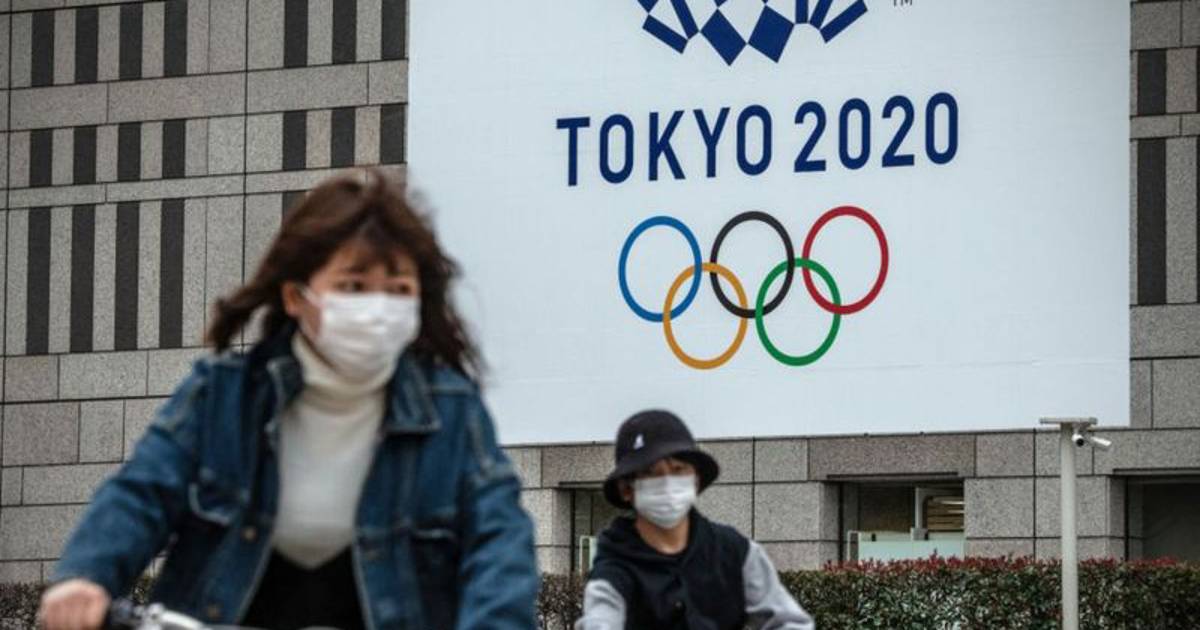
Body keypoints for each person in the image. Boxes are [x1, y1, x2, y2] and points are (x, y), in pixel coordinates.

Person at [37, 168, 538, 630]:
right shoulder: (223, 396)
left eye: (398, 289)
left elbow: (499, 537)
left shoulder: (451, 410)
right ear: (296, 296)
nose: (377, 308)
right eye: (353, 286)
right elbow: (142, 491)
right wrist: (86, 576)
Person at [576, 410, 814, 630]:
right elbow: (601, 620)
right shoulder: (614, 570)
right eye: (651, 473)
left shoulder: (735, 551)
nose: (667, 482)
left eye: (678, 469)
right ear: (626, 489)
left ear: (696, 480)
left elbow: (789, 622)